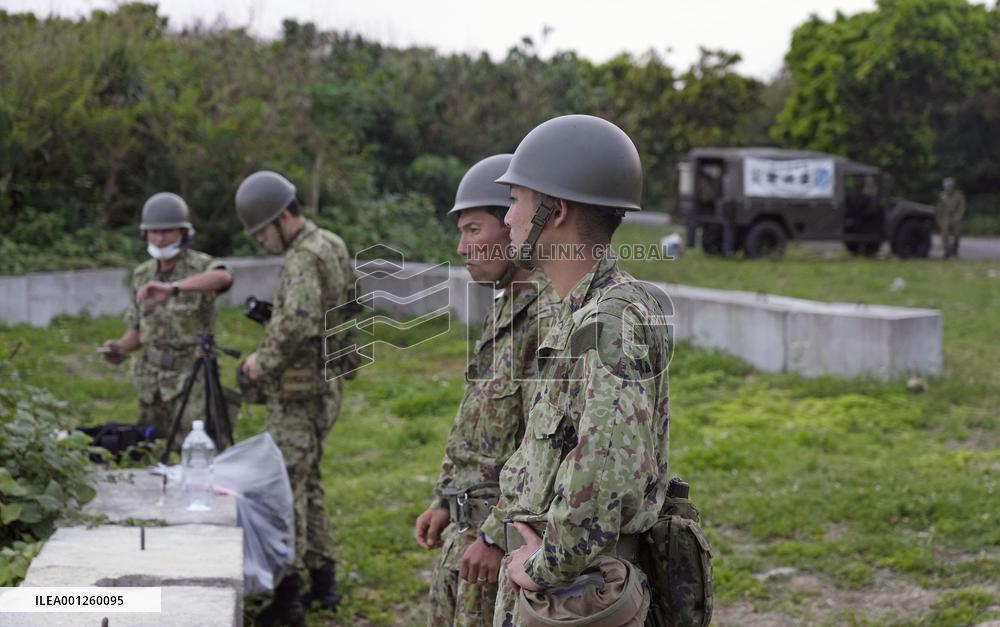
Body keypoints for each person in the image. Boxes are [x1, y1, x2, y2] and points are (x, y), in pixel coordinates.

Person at [472, 115, 672, 626]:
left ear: (554, 212)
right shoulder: (578, 313)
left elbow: (604, 472)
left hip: (578, 596)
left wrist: (544, 567)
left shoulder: (608, 320)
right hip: (568, 591)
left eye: (515, 200)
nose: (508, 215)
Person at [413, 154, 560, 626]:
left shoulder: (547, 318)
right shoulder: (505, 309)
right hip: (466, 531)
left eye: (474, 230)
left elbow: (548, 448)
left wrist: (497, 536)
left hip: (504, 545)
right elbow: (480, 422)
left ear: (516, 229)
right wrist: (444, 498)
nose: (462, 247)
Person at [235, 171, 356, 625]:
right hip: (326, 386)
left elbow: (299, 322)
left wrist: (259, 362)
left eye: (263, 230)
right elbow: (342, 308)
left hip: (298, 392)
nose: (262, 240)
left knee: (284, 491)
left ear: (283, 217)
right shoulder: (332, 243)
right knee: (311, 482)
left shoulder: (302, 257)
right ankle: (324, 582)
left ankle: (289, 601)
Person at [101, 192, 233, 442]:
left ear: (183, 233)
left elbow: (224, 277)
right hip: (151, 380)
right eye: (154, 232)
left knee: (192, 446)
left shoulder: (200, 266)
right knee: (149, 445)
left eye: (167, 232)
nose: (160, 239)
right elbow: (138, 329)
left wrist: (174, 288)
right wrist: (119, 347)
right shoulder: (142, 275)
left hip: (190, 379)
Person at [936, 177, 966, 258]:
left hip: (955, 216)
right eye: (947, 186)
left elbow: (962, 207)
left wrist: (958, 216)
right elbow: (939, 209)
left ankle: (955, 251)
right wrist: (939, 220)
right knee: (944, 235)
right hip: (945, 217)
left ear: (953, 186)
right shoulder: (942, 196)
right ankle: (947, 252)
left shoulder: (959, 195)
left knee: (957, 234)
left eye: (950, 186)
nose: (948, 188)